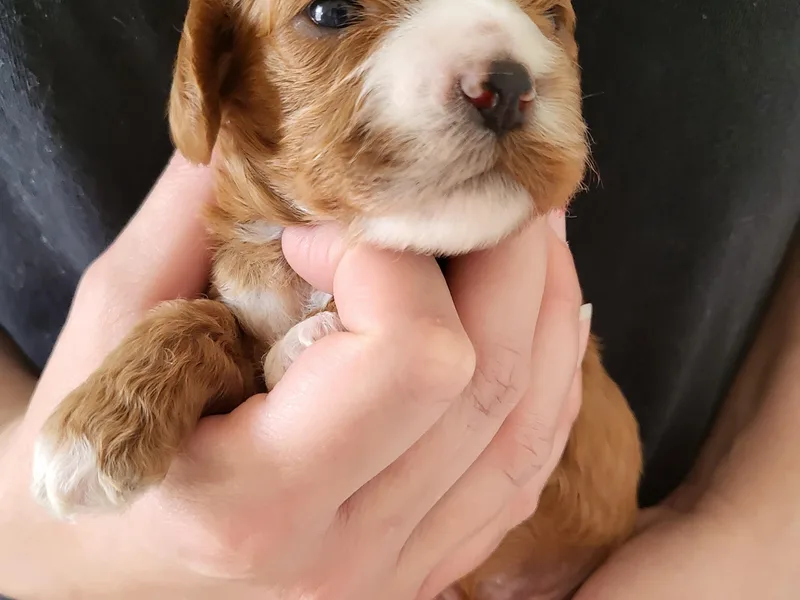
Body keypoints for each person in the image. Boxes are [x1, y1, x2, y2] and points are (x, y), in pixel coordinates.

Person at [0, 0, 798, 598]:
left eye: (545, 14)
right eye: (333, 12)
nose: (502, 74)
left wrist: (752, 537)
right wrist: (33, 546)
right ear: (212, 69)